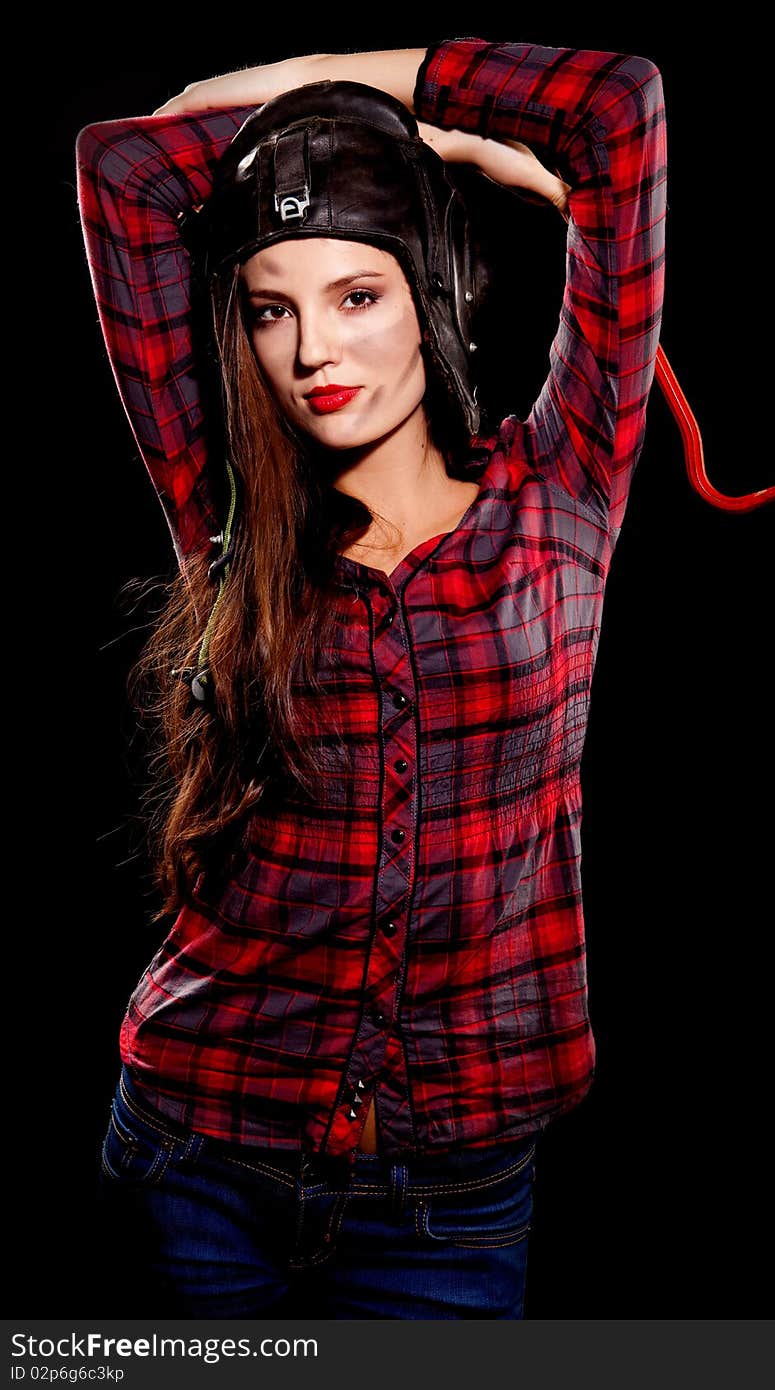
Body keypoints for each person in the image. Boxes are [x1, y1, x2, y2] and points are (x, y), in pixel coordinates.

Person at [76, 38, 667, 1318]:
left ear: (437, 290)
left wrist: (392, 114)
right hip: (198, 1154)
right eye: (271, 306)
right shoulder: (226, 506)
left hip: (447, 1198)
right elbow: (123, 169)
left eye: (358, 293)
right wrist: (334, 136)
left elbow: (615, 108)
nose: (309, 351)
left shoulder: (561, 489)